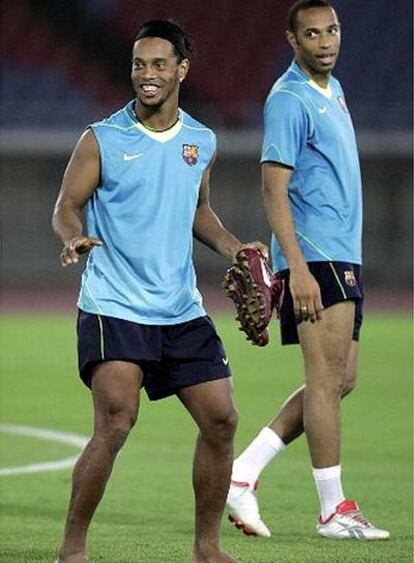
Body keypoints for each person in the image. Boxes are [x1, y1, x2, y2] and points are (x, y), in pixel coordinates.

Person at [52, 20, 267, 563]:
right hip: (114, 304)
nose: (146, 75)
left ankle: (206, 548)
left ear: (181, 70)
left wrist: (238, 249)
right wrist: (73, 237)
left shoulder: (202, 140)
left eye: (158, 64)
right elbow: (66, 205)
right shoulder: (100, 137)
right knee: (118, 420)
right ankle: (72, 548)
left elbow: (199, 211)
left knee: (222, 419)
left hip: (179, 307)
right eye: (138, 64)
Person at [227, 0, 390, 541]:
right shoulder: (289, 98)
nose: (326, 41)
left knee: (340, 380)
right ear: (292, 40)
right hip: (315, 256)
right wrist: (294, 267)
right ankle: (332, 511)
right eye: (313, 33)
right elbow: (273, 187)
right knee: (324, 380)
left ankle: (242, 474)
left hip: (342, 253)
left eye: (333, 30)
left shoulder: (332, 90)